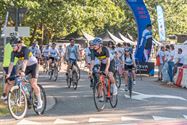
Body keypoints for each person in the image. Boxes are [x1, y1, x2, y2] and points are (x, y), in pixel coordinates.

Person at [7, 39, 42, 109]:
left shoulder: (25, 49)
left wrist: (23, 71)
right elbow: (11, 64)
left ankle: (39, 101)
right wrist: (9, 73)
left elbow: (25, 61)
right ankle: (25, 96)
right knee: (18, 80)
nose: (12, 47)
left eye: (14, 45)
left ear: (18, 45)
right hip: (25, 66)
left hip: (34, 65)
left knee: (33, 83)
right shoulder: (13, 52)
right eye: (11, 46)